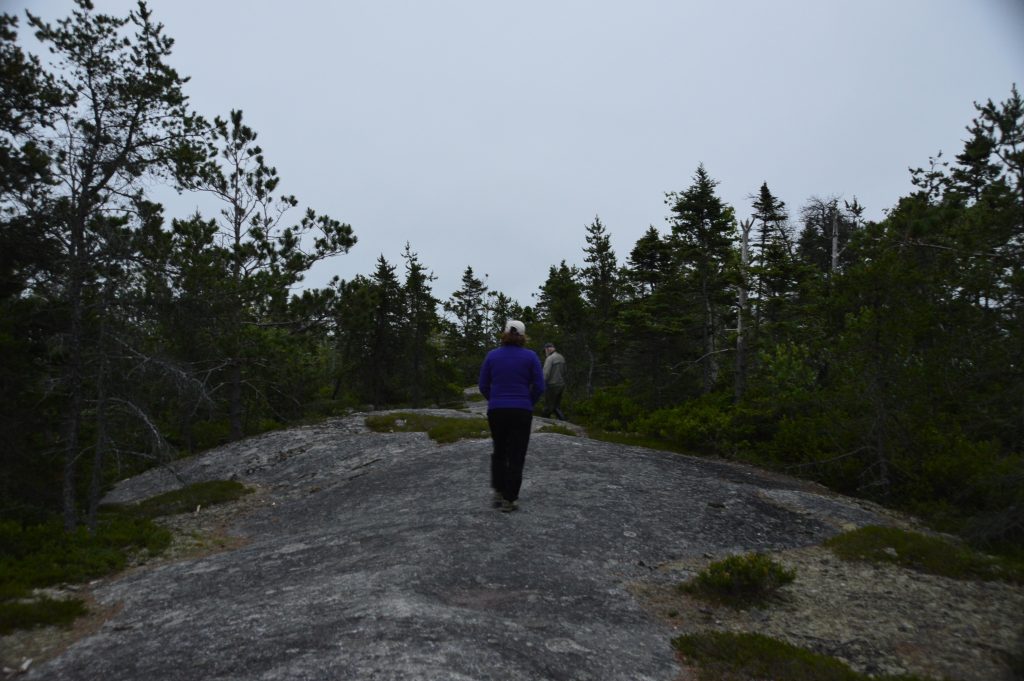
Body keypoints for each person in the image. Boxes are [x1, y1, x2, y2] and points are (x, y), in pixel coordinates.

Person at [478, 319, 545, 513]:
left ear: (505, 334)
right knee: (517, 454)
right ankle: (509, 499)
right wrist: (528, 402)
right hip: (521, 410)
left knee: (499, 451)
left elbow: (483, 385)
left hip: (497, 410)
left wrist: (495, 400)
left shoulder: (492, 356)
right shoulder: (531, 357)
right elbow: (540, 386)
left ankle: (498, 492)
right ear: (523, 336)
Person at [541, 342, 566, 420]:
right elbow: (565, 371)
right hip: (561, 384)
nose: (545, 352)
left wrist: (541, 384)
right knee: (556, 406)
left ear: (548, 349)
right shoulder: (561, 357)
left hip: (552, 385)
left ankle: (544, 423)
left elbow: (545, 373)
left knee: (548, 407)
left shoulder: (549, 358)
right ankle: (563, 421)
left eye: (545, 350)